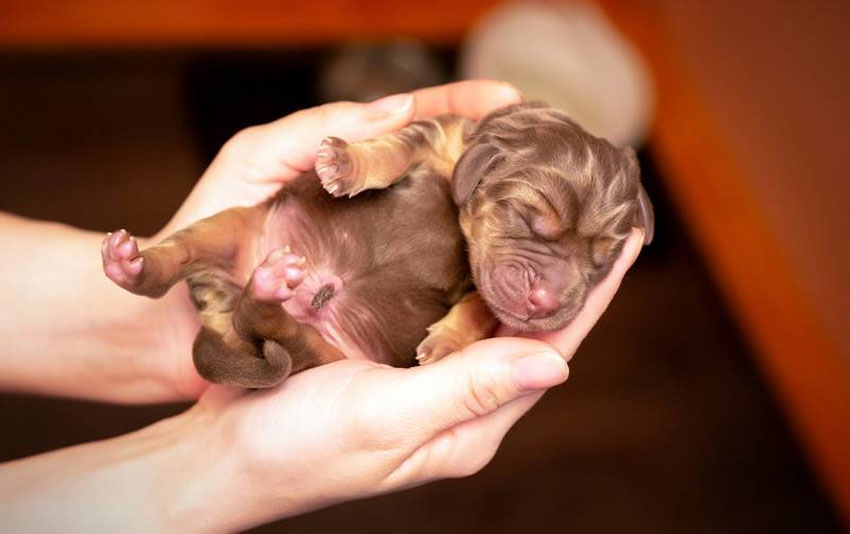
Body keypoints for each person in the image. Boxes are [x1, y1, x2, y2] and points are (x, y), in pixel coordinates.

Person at [0, 80, 644, 532]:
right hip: (282, 239)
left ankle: (263, 314)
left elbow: (474, 313)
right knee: (222, 238)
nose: (549, 292)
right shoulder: (467, 142)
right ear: (482, 166)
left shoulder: (515, 255)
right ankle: (159, 267)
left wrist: (457, 333)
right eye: (531, 227)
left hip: (344, 333)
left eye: (589, 260)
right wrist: (365, 161)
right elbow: (410, 143)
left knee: (300, 352)